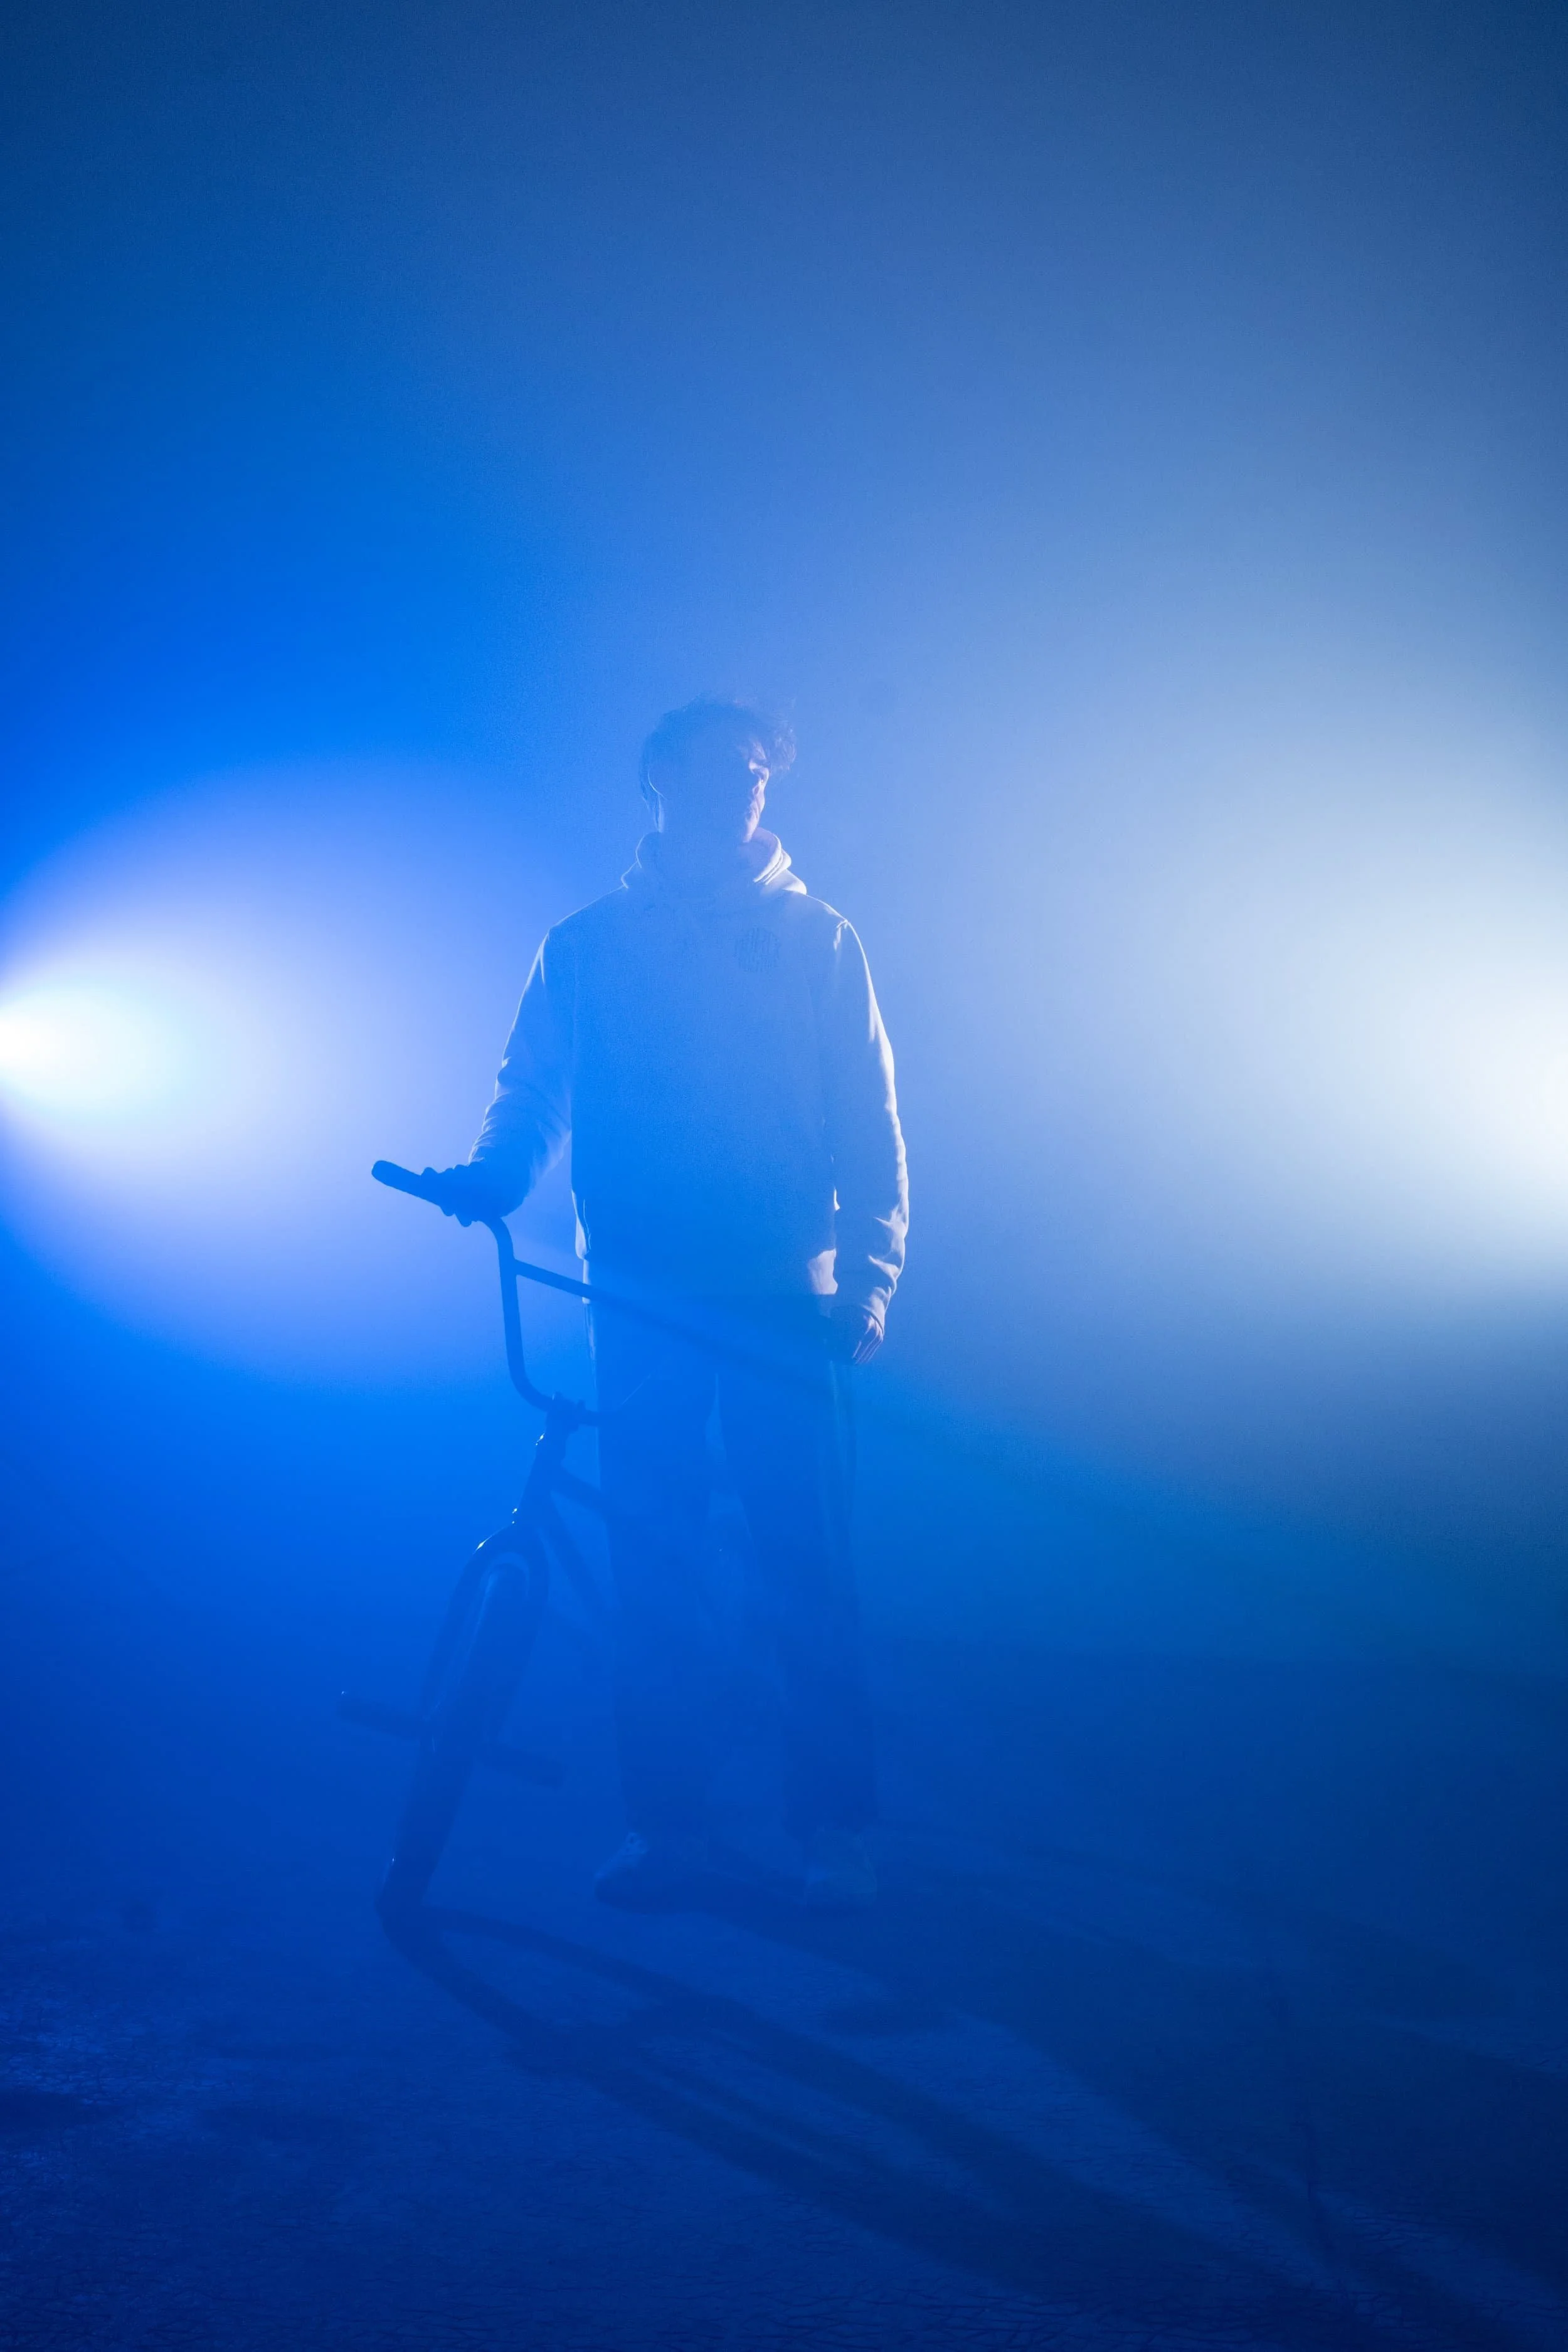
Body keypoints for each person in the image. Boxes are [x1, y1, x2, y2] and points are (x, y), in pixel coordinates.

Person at [432, 699, 908, 1910]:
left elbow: (868, 1112)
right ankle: (670, 1828)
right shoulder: (589, 945)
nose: (744, 791)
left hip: (777, 1297)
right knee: (657, 1563)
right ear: (660, 784)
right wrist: (494, 1176)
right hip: (639, 1293)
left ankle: (835, 1830)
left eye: (757, 771)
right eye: (718, 772)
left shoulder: (817, 940)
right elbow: (532, 1085)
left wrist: (869, 1271)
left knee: (806, 1564)